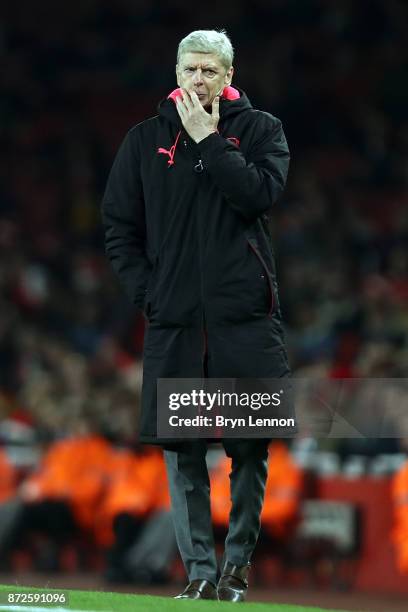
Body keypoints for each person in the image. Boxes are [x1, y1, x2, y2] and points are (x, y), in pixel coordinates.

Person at [102, 29, 291, 601]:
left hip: (244, 323)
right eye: (189, 69)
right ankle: (199, 574)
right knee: (183, 455)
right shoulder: (143, 141)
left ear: (228, 78)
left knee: (249, 449)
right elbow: (119, 228)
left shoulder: (262, 131)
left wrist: (209, 141)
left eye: (209, 71)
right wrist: (150, 296)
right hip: (177, 325)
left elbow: (258, 195)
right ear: (177, 71)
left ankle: (236, 570)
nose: (197, 80)